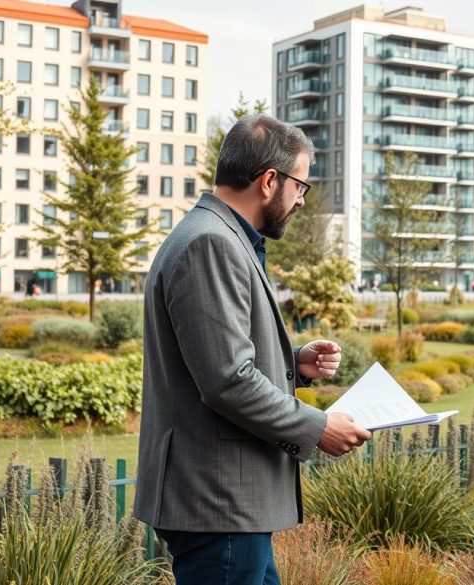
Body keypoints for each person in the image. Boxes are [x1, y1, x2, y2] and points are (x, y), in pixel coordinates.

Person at [134, 114, 372, 585]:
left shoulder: (217, 235)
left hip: (228, 505)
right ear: (269, 181)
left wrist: (293, 363)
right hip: (219, 502)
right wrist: (319, 427)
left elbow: (214, 356)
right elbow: (227, 381)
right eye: (300, 186)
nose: (301, 200)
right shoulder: (211, 243)